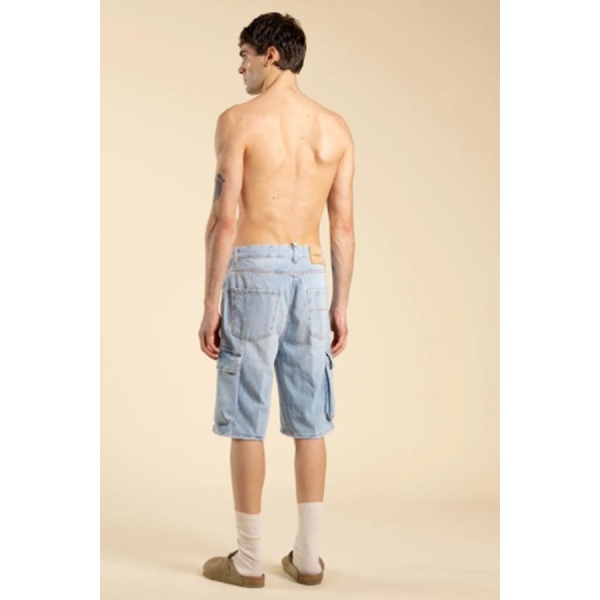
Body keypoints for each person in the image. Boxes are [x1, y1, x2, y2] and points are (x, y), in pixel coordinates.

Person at [198, 11, 355, 588]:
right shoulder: (335, 129)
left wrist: (211, 302)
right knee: (310, 419)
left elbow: (225, 218)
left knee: (248, 415)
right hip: (311, 274)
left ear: (271, 54)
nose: (239, 66)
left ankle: (247, 560)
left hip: (254, 270)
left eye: (244, 55)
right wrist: (340, 304)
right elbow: (343, 227)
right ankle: (308, 559)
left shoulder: (239, 121)